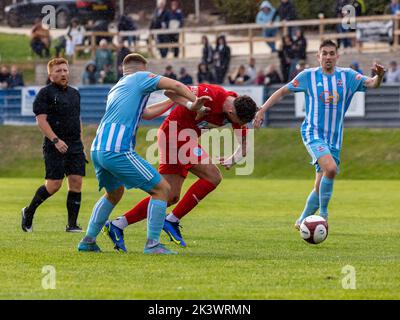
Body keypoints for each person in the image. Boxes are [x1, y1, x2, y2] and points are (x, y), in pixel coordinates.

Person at [77, 53, 210, 254]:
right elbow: (176, 85)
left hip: (98, 148)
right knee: (163, 190)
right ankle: (152, 245)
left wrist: (173, 103)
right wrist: (195, 103)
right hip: (117, 149)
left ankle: (87, 241)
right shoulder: (140, 77)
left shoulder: (117, 88)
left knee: (114, 193)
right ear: (143, 68)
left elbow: (145, 114)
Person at [103, 84, 258, 250]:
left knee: (169, 196)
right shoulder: (210, 94)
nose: (238, 125)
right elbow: (170, 91)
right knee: (213, 176)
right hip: (175, 133)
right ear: (231, 112)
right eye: (238, 122)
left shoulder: (236, 106)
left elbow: (244, 142)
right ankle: (171, 221)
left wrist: (233, 158)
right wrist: (193, 104)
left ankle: (118, 225)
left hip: (182, 138)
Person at [253, 40, 385, 230]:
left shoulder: (347, 76)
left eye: (332, 53)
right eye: (324, 53)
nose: (328, 57)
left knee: (319, 185)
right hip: (312, 132)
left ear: (337, 56)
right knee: (330, 169)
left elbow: (372, 84)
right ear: (318, 56)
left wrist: (379, 76)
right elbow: (282, 91)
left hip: (335, 139)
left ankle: (302, 221)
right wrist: (263, 110)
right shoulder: (309, 76)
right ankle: (323, 215)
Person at [21, 58, 87, 233]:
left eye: (65, 70)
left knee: (76, 182)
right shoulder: (45, 93)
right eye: (58, 71)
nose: (63, 73)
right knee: (54, 185)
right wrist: (56, 141)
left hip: (74, 145)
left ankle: (72, 225)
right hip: (54, 145)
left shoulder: (75, 93)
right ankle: (28, 211)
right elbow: (41, 121)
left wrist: (81, 144)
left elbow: (77, 119)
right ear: (51, 76)